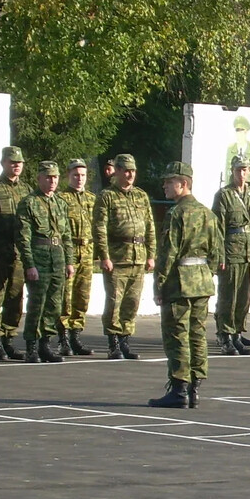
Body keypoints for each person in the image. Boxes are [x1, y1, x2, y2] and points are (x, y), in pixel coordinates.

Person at [148, 161, 219, 409]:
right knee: (197, 335)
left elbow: (167, 252)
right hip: (201, 281)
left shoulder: (176, 213)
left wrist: (159, 284)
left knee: (177, 335)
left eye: (170, 181)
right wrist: (204, 272)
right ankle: (194, 387)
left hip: (179, 282)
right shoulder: (207, 213)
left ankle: (179, 388)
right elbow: (216, 253)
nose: (165, 185)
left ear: (184, 184)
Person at [93, 153, 155, 359]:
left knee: (132, 301)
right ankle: (113, 343)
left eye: (133, 171)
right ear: (117, 171)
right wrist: (104, 256)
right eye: (126, 170)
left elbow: (150, 227)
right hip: (117, 257)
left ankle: (125, 340)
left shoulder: (141, 196)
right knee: (114, 302)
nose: (130, 174)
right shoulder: (107, 196)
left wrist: (151, 254)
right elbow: (99, 228)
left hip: (138, 256)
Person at [15, 161, 74, 363]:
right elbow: (23, 237)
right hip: (39, 258)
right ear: (39, 178)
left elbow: (66, 235)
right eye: (48, 177)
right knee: (36, 304)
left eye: (55, 177)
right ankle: (31, 344)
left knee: (54, 305)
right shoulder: (28, 203)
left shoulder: (60, 203)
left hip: (57, 258)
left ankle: (45, 344)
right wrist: (29, 264)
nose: (52, 181)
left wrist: (69, 261)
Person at [0, 146, 33, 360]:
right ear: (3, 163)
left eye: (19, 162)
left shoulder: (27, 190)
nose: (16, 165)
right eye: (12, 162)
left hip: (19, 253)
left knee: (16, 297)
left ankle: (9, 338)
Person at [211, 155, 250, 356]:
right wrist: (219, 255)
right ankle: (225, 334)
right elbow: (218, 228)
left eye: (245, 169)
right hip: (231, 250)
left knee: (244, 296)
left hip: (248, 251)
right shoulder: (224, 195)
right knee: (228, 296)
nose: (241, 173)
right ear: (232, 171)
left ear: (249, 171)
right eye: (238, 170)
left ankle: (238, 332)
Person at [57, 159, 96, 356]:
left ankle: (76, 336)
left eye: (82, 175)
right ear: (68, 176)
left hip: (87, 252)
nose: (79, 179)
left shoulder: (91, 199)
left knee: (82, 297)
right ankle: (63, 338)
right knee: (66, 298)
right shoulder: (61, 199)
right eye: (75, 175)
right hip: (69, 251)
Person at [224, 115, 250, 191]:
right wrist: (226, 190)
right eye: (237, 130)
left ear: (246, 132)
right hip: (232, 188)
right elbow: (227, 171)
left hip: (248, 189)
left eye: (241, 130)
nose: (239, 133)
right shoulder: (230, 148)